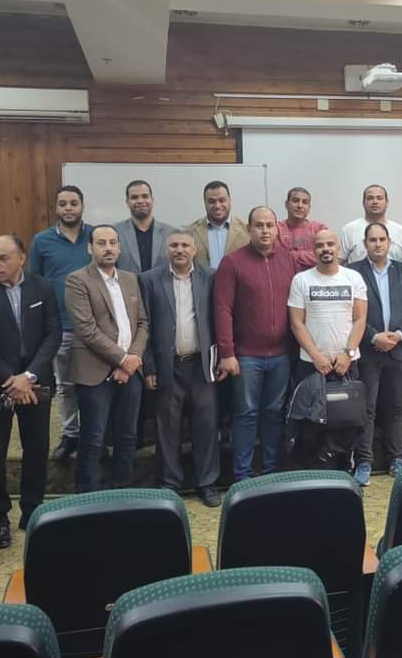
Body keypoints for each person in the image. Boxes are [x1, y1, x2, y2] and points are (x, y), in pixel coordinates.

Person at [0, 234, 61, 548]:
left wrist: (28, 376)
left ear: (21, 258)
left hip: (35, 382)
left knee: (37, 449)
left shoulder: (43, 288)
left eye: (3, 258)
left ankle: (32, 511)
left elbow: (53, 334)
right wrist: (11, 379)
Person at [214, 206, 298, 480]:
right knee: (246, 414)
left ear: (277, 229)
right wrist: (227, 352)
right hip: (245, 356)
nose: (264, 230)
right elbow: (222, 309)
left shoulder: (288, 260)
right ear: (249, 229)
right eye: (259, 225)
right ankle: (243, 475)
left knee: (274, 414)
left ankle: (272, 472)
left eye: (269, 225)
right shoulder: (232, 262)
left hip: (282, 355)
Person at [139, 230, 221, 506]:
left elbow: (220, 318)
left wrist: (222, 357)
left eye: (185, 245)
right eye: (174, 245)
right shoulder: (150, 280)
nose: (180, 250)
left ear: (194, 250)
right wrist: (149, 366)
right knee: (167, 428)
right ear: (167, 250)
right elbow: (144, 325)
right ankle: (169, 484)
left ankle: (207, 483)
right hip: (167, 365)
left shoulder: (210, 277)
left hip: (201, 365)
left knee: (206, 426)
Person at [65, 225, 149, 492]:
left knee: (128, 435)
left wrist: (132, 359)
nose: (108, 248)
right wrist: (123, 359)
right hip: (95, 372)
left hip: (131, 370)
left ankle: (123, 488)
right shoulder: (77, 280)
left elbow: (143, 323)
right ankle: (87, 496)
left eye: (113, 243)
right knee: (94, 438)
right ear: (90, 248)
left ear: (119, 248)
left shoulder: (130, 279)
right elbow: (87, 330)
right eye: (101, 243)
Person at [288, 230, 368, 478]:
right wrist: (316, 356)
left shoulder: (353, 278)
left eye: (330, 244)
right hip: (311, 365)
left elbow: (360, 320)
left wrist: (348, 354)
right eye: (320, 245)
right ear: (314, 250)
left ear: (338, 248)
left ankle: (344, 475)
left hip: (347, 365)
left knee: (346, 424)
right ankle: (313, 476)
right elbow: (296, 323)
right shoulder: (301, 280)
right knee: (311, 426)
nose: (326, 249)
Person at [348, 222, 402, 480]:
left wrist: (400, 334)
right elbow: (351, 312)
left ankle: (397, 458)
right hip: (369, 351)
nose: (378, 244)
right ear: (365, 244)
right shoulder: (353, 272)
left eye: (382, 239)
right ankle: (364, 461)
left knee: (396, 408)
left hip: (399, 349)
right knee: (367, 409)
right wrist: (373, 336)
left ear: (389, 243)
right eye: (372, 240)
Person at [29, 185, 92, 462]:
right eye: (63, 203)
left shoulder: (96, 236)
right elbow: (34, 284)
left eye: (73, 203)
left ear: (82, 206)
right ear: (56, 208)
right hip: (61, 326)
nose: (68, 208)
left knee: (94, 386)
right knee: (65, 386)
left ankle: (94, 434)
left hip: (94, 327)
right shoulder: (41, 241)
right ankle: (71, 435)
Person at [339, 184, 402, 264]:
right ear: (363, 203)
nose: (375, 202)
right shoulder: (349, 229)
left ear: (387, 203)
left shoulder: (401, 231)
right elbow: (338, 263)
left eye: (379, 198)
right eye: (370, 198)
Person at [115, 179, 177, 274]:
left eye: (145, 196)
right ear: (127, 202)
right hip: (126, 284)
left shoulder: (171, 233)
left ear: (152, 200)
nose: (140, 201)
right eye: (134, 197)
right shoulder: (115, 232)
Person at [188, 180, 250, 269]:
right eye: (211, 201)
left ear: (230, 200)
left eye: (222, 200)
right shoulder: (190, 232)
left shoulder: (247, 231)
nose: (217, 206)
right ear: (205, 203)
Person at [276, 186, 328, 270]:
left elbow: (325, 256)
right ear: (286, 204)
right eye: (295, 201)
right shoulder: (277, 229)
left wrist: (292, 254)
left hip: (315, 276)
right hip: (285, 275)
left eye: (305, 202)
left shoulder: (319, 229)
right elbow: (278, 258)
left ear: (309, 207)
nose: (300, 205)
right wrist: (311, 255)